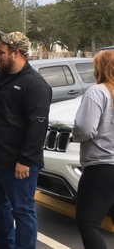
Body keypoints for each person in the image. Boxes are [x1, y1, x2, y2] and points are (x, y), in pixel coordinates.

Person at [0, 31, 51, 249]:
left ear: (16, 53)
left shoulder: (35, 85)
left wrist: (26, 160)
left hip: (18, 164)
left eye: (0, 52)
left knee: (22, 211)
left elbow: (38, 126)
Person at [73, 50, 114, 249]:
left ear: (101, 68)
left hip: (101, 167)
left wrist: (77, 136)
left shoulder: (98, 92)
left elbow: (84, 128)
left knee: (87, 222)